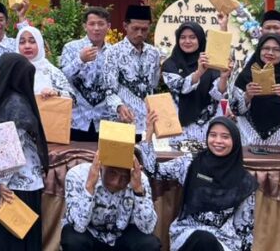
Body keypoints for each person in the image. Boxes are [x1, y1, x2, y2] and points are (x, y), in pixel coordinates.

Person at [140, 114, 257, 251]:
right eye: (213, 135)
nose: (218, 141)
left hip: (224, 239)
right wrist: (149, 134)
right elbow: (155, 171)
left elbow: (244, 229)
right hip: (188, 233)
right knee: (203, 239)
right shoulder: (191, 163)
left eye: (225, 137)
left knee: (208, 241)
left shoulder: (244, 181)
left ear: (235, 141)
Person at [0, 53, 49, 251]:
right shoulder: (10, 101)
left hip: (12, 187)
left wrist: (1, 183)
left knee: (7, 242)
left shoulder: (14, 104)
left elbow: (13, 148)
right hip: (15, 185)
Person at [60, 150, 158, 251]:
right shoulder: (78, 175)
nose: (116, 182)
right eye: (112, 173)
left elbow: (148, 228)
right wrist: (90, 186)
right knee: (73, 239)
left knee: (150, 244)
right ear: (101, 165)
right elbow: (78, 226)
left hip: (122, 235)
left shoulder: (139, 179)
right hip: (89, 233)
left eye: (124, 177)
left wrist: (138, 190)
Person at [160, 23, 230, 147]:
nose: (187, 41)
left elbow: (218, 94)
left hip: (209, 124)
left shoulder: (210, 62)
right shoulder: (170, 64)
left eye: (192, 37)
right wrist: (199, 72)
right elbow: (180, 87)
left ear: (200, 39)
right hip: (180, 127)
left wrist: (224, 77)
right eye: (183, 37)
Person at [231, 33, 280, 146]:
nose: (270, 53)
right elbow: (235, 110)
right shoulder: (245, 77)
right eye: (266, 48)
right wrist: (247, 97)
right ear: (259, 51)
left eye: (276, 50)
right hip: (247, 142)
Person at [103, 5, 161, 137]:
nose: (139, 33)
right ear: (125, 26)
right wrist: (119, 106)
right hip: (123, 122)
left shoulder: (154, 53)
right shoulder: (113, 53)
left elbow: (154, 86)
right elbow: (108, 90)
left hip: (148, 124)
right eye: (135, 28)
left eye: (144, 29)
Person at [59, 7, 112, 142]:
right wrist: (80, 60)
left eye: (101, 24)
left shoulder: (114, 52)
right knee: (75, 155)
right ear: (85, 26)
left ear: (108, 26)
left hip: (105, 120)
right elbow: (62, 78)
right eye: (92, 24)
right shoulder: (71, 48)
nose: (96, 28)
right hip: (76, 119)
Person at [15, 25, 72, 98]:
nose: (27, 46)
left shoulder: (51, 71)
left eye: (32, 41)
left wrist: (56, 93)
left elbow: (72, 98)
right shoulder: (11, 71)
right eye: (22, 42)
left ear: (40, 44)